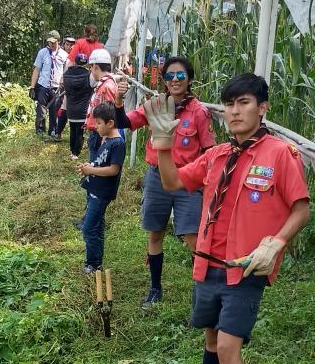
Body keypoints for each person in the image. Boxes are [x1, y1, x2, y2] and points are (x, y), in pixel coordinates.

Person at [144, 73, 310, 364]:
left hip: (246, 267)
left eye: (245, 103)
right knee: (211, 339)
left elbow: (301, 207)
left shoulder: (279, 155)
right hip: (208, 263)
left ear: (263, 107)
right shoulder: (218, 155)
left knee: (229, 347)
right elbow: (172, 182)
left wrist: (277, 242)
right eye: (230, 105)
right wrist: (163, 146)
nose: (235, 111)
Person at [114, 56, 215, 309]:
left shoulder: (200, 112)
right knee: (155, 233)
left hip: (186, 181)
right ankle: (155, 288)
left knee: (193, 238)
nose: (175, 80)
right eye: (169, 76)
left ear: (189, 79)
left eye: (180, 75)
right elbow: (124, 123)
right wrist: (118, 101)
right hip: (157, 177)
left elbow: (209, 151)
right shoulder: (155, 105)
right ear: (164, 80)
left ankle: (201, 294)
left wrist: (204, 185)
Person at [77, 102, 126, 274]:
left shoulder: (117, 143)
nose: (95, 126)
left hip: (102, 193)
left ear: (110, 123)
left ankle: (93, 263)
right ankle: (96, 262)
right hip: (94, 190)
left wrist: (91, 170)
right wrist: (88, 167)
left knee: (89, 228)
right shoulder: (105, 139)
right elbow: (100, 162)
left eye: (98, 123)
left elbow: (114, 169)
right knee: (97, 227)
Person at [29, 32, 69, 136]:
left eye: (53, 42)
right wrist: (32, 87)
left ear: (58, 41)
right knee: (41, 108)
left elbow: (66, 71)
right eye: (49, 42)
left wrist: (63, 82)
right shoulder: (42, 52)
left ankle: (53, 130)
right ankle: (40, 130)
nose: (51, 44)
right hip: (43, 85)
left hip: (56, 87)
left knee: (54, 109)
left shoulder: (64, 55)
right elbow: (37, 69)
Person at [84, 48, 118, 162]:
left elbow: (109, 114)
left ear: (96, 67)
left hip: (100, 135)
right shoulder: (102, 84)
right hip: (97, 133)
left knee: (95, 164)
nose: (91, 71)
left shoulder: (107, 86)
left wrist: (105, 137)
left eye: (91, 67)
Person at [58, 52, 92, 159]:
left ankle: (72, 151)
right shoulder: (89, 75)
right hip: (83, 108)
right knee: (80, 131)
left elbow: (63, 87)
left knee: (73, 130)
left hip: (71, 108)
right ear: (86, 63)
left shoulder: (66, 74)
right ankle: (76, 152)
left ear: (75, 62)